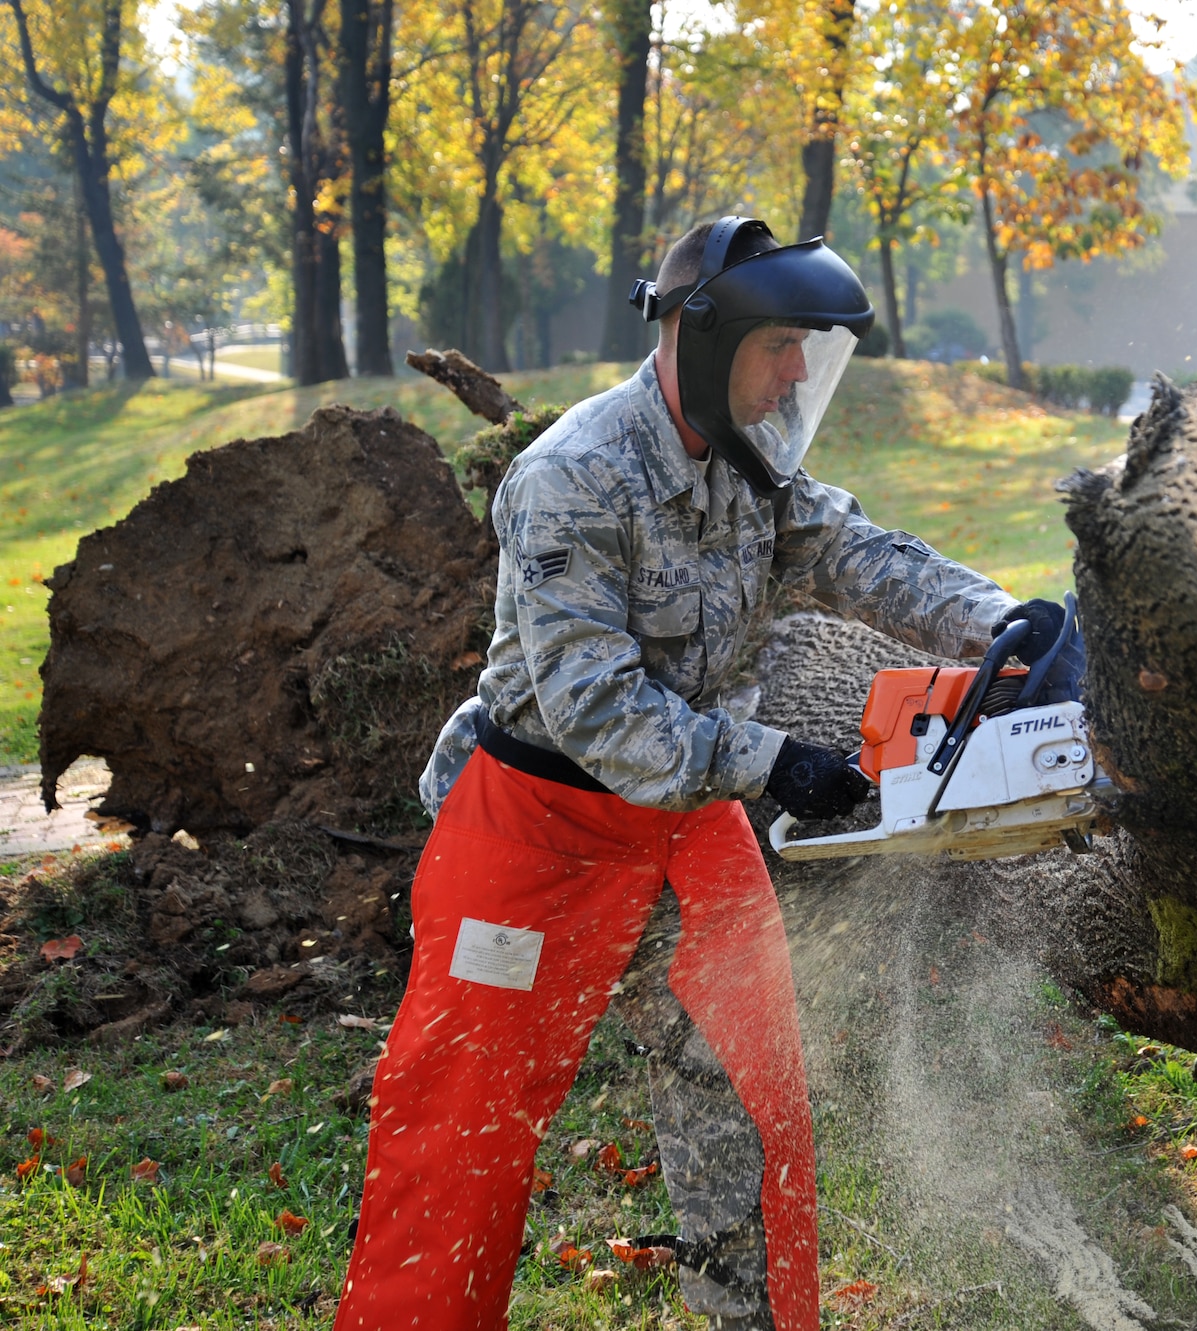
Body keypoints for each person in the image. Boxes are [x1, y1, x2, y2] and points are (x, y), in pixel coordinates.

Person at [332, 217, 1079, 1331]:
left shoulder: (751, 454)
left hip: (689, 832)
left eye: (807, 351)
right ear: (700, 334)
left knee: (748, 1104)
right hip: (535, 832)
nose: (795, 373)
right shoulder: (572, 476)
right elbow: (593, 705)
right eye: (781, 344)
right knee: (460, 1132)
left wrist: (1001, 622)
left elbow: (854, 550)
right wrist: (770, 758)